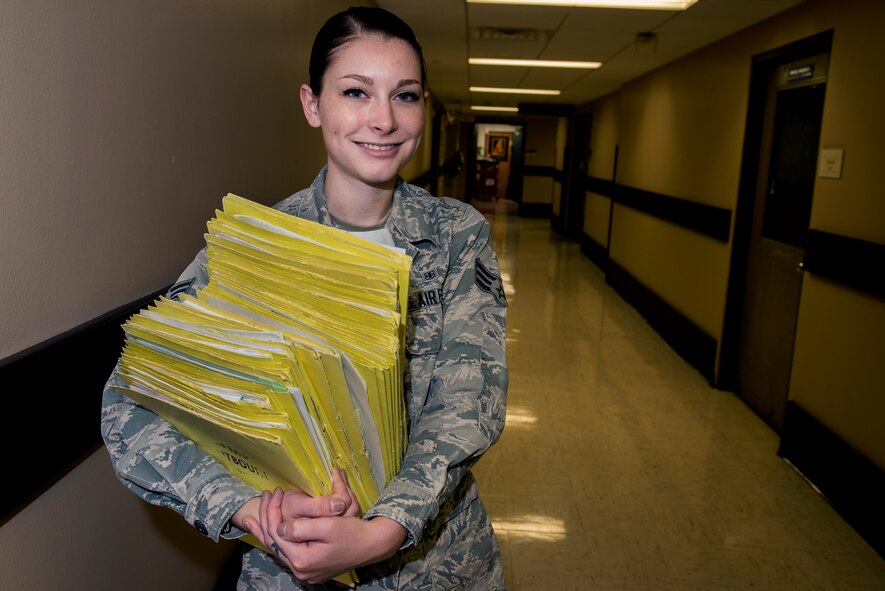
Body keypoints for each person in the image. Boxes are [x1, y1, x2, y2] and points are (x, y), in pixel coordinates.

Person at [100, 6, 508, 590]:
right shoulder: (254, 245)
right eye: (356, 92)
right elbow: (130, 403)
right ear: (313, 104)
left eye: (406, 95)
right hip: (291, 569)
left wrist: (384, 529)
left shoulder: (456, 236)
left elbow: (468, 402)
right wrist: (244, 508)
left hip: (435, 566)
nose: (384, 119)